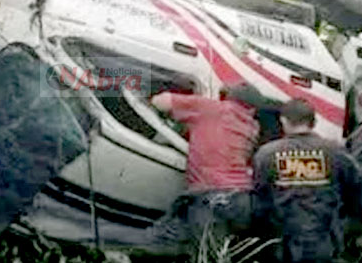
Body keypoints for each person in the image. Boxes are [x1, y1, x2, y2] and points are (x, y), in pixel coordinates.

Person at [149, 83, 264, 245]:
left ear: (228, 99)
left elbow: (160, 102)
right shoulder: (252, 126)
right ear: (253, 109)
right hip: (243, 200)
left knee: (195, 250)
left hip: (213, 196)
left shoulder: (211, 108)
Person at [253, 99, 350, 263]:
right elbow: (352, 190)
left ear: (283, 121)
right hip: (325, 240)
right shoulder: (336, 152)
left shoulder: (267, 154)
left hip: (284, 242)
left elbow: (260, 196)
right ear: (314, 122)